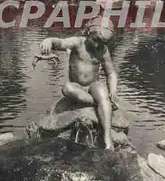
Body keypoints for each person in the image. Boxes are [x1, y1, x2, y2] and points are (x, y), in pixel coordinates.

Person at [40, 16, 118, 150]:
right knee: (67, 88)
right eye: (95, 40)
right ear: (88, 32)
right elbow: (61, 43)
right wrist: (49, 40)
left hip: (93, 85)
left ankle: (107, 136)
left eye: (102, 43)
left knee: (102, 90)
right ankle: (100, 103)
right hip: (77, 86)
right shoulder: (78, 42)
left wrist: (113, 91)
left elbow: (111, 73)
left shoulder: (103, 51)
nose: (97, 45)